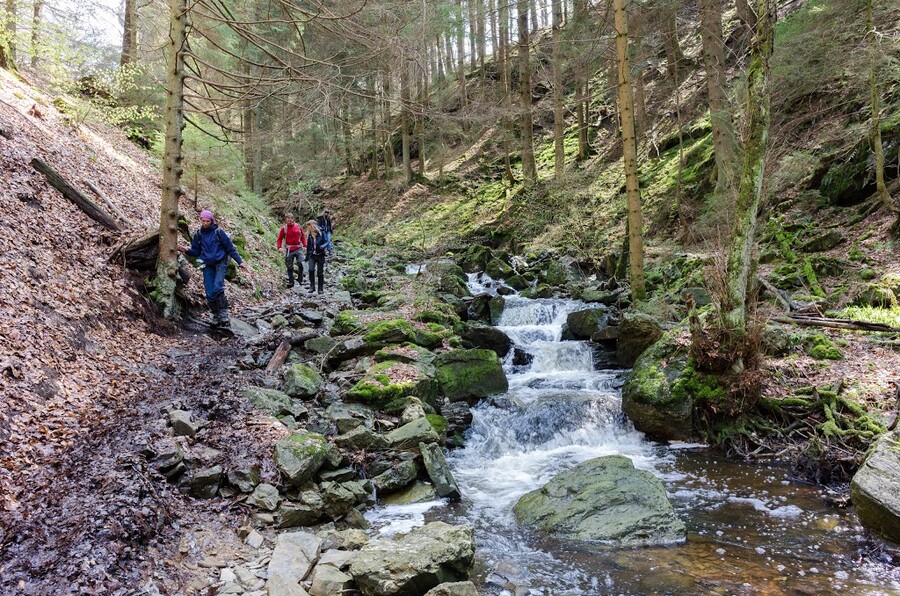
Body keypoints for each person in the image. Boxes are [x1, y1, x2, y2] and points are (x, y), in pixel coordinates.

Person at [178, 210, 246, 327]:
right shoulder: (198, 234)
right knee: (209, 293)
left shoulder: (219, 232)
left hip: (221, 262)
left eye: (207, 221)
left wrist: (240, 262)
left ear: (211, 220)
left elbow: (230, 248)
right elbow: (196, 251)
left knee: (218, 287)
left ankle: (223, 314)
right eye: (203, 221)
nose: (205, 223)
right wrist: (186, 250)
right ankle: (215, 315)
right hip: (208, 264)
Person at [276, 212, 306, 288]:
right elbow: (279, 239)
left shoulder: (298, 226)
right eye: (287, 219)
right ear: (285, 220)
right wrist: (279, 247)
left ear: (293, 219)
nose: (289, 220)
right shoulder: (284, 228)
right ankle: (291, 281)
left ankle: (300, 279)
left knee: (301, 262)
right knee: (289, 266)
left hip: (298, 248)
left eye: (291, 218)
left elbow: (303, 236)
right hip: (289, 249)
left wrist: (305, 245)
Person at [304, 220, 328, 294]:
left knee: (320, 272)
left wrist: (322, 246)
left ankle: (320, 289)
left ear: (312, 226)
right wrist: (307, 257)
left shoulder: (321, 232)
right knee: (311, 270)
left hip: (320, 255)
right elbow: (308, 246)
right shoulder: (310, 235)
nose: (307, 228)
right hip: (312, 255)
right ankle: (312, 286)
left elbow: (327, 242)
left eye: (308, 226)